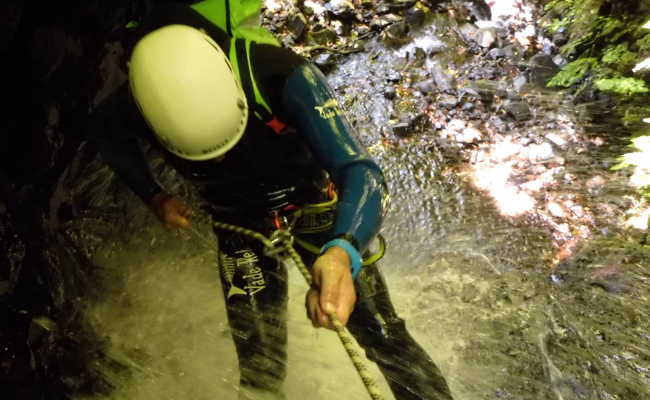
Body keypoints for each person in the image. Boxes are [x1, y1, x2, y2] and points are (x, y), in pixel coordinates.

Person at [88, 2, 454, 399]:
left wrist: (341, 251)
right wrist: (153, 195)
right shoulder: (140, 99)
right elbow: (106, 133)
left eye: (222, 147)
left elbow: (360, 171)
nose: (219, 160)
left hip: (314, 207)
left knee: (383, 334)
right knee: (259, 370)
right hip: (238, 222)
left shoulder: (282, 75)